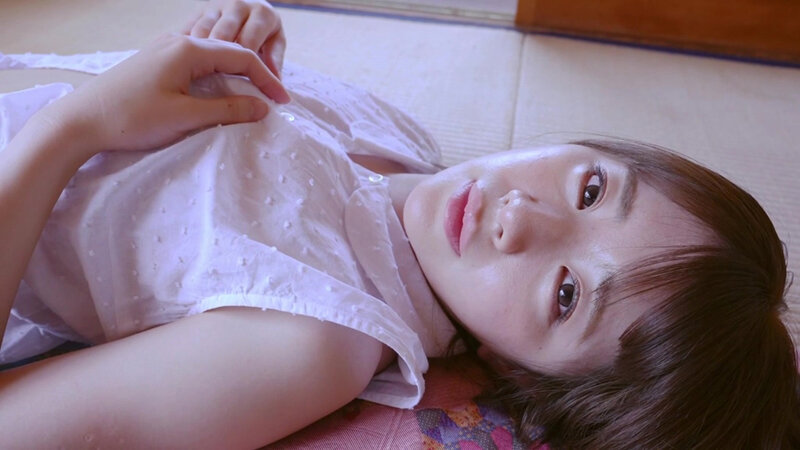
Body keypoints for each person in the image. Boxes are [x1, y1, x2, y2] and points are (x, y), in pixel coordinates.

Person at [0, 0, 796, 448]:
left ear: (519, 375)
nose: (521, 216)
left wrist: (73, 130)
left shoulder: (316, 342)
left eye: (566, 295)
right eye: (591, 188)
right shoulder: (403, 140)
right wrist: (218, 58)